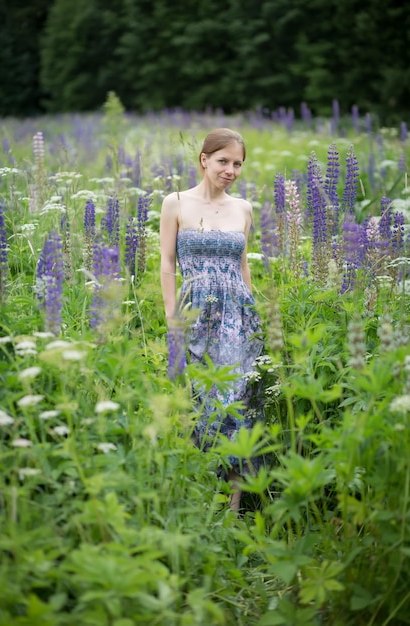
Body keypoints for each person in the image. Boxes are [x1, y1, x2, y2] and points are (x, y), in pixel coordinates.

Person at [160, 128, 264, 511]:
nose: (230, 170)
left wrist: (253, 313)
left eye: (237, 164)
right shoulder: (176, 203)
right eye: (223, 161)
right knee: (198, 399)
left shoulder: (244, 209)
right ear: (204, 159)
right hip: (194, 312)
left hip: (238, 316)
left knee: (235, 400)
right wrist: (172, 316)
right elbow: (167, 263)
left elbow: (242, 265)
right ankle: (199, 498)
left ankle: (234, 508)